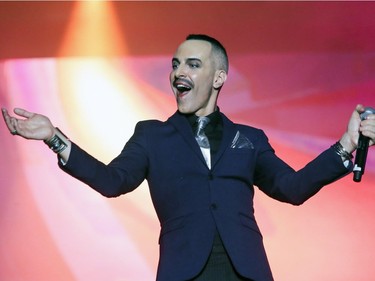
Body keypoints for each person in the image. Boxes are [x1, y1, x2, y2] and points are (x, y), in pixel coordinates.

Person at [2, 34, 375, 281]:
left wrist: (345, 144)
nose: (179, 72)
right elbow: (111, 181)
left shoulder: (249, 138)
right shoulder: (152, 135)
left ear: (218, 77)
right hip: (184, 272)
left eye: (193, 65)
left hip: (247, 272)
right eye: (176, 65)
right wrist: (54, 138)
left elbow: (292, 188)